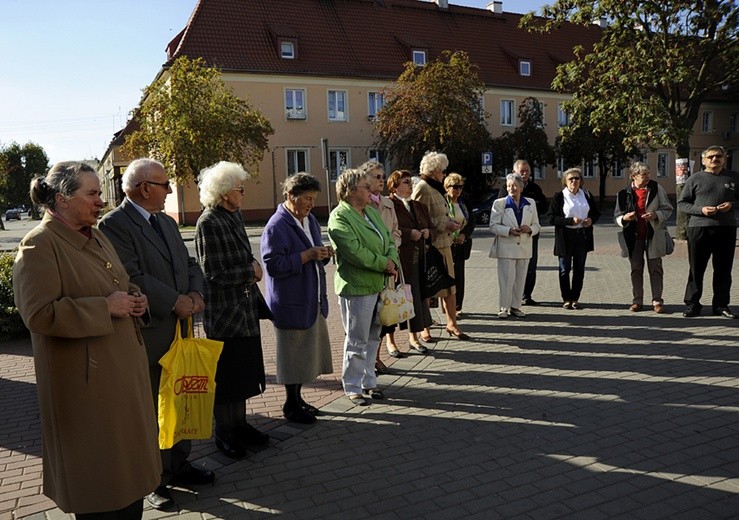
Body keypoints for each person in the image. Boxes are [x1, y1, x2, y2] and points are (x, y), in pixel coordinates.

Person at [14, 162, 161, 519]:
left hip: (121, 378)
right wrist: (104, 308)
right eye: (92, 194)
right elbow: (38, 314)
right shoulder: (38, 246)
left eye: (99, 193)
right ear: (63, 199)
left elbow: (119, 284)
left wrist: (136, 298)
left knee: (129, 483)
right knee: (100, 487)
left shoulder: (95, 235)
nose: (101, 201)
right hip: (87, 391)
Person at [99, 158, 213, 511]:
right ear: (145, 187)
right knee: (152, 406)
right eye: (165, 184)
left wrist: (195, 295)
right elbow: (131, 276)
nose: (170, 190)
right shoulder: (115, 224)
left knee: (180, 399)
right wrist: (174, 301)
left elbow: (189, 263)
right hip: (152, 331)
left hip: (181, 327)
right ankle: (153, 479)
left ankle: (179, 463)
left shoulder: (165, 220)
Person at [194, 161, 269, 457]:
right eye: (240, 188)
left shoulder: (232, 216)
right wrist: (250, 271)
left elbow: (247, 257)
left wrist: (252, 267)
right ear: (224, 193)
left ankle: (240, 425)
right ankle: (224, 433)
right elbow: (212, 272)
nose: (243, 193)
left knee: (243, 374)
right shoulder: (209, 222)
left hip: (245, 310)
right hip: (225, 315)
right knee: (226, 379)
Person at [261, 172, 334, 424]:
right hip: (291, 301)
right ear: (290, 196)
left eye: (313, 198)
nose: (311, 204)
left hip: (311, 297)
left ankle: (298, 399)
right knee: (292, 356)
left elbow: (313, 250)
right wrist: (306, 256)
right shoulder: (276, 225)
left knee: (305, 354)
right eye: (307, 198)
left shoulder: (310, 219)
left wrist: (324, 254)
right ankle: (290, 405)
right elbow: (273, 265)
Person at [328, 168, 400, 406]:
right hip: (357, 287)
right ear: (350, 191)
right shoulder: (339, 216)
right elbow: (355, 253)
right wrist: (384, 263)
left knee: (373, 337)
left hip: (378, 283)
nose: (372, 191)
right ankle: (352, 386)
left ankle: (369, 381)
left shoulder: (370, 211)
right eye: (366, 187)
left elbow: (389, 239)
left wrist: (392, 260)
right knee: (356, 339)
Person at [411, 151, 470, 340]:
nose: (444, 175)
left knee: (450, 287)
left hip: (445, 244)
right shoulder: (422, 187)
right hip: (431, 246)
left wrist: (450, 221)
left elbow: (439, 214)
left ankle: (452, 323)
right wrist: (444, 224)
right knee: (430, 287)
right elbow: (418, 217)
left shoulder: (436, 188)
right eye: (442, 171)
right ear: (434, 170)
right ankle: (425, 327)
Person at [677, 145, 739, 318]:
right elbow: (682, 203)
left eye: (718, 156)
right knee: (697, 268)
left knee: (723, 269)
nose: (715, 159)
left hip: (726, 228)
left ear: (724, 158)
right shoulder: (695, 179)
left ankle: (721, 305)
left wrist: (732, 205)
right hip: (700, 228)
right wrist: (701, 210)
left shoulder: (733, 177)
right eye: (710, 157)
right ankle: (693, 304)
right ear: (703, 160)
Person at [614, 162, 674, 313]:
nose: (648, 177)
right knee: (636, 269)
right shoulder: (623, 193)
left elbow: (668, 208)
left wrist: (656, 215)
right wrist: (625, 218)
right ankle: (637, 300)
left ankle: (657, 300)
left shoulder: (656, 188)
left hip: (654, 235)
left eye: (648, 174)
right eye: (644, 175)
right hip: (633, 238)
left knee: (655, 269)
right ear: (633, 176)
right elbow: (617, 216)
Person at [360, 160, 403, 368]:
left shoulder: (388, 203)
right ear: (365, 179)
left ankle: (376, 358)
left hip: (389, 265)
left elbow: (396, 231)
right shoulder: (361, 205)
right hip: (371, 268)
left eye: (382, 176)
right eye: (377, 176)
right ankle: (367, 363)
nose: (381, 180)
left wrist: (392, 255)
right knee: (368, 318)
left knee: (383, 314)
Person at [388, 169, 435, 353]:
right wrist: (409, 234)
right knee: (394, 300)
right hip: (399, 259)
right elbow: (391, 228)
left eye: (410, 181)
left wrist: (427, 233)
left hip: (418, 260)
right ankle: (390, 342)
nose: (410, 184)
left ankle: (414, 338)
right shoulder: (389, 205)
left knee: (416, 298)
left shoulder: (418, 206)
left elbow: (432, 227)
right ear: (394, 186)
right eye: (405, 182)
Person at [549, 167, 601, 310]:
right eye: (570, 179)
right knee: (564, 269)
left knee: (579, 269)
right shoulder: (559, 196)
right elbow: (551, 218)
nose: (574, 181)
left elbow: (596, 213)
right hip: (565, 236)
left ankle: (575, 298)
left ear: (581, 181)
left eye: (577, 178)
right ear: (565, 181)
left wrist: (591, 220)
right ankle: (566, 298)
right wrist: (570, 221)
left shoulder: (586, 195)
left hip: (582, 236)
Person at [490, 173, 540, 319]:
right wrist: (509, 231)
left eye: (515, 186)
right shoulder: (500, 203)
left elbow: (537, 225)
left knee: (520, 279)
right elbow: (493, 226)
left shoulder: (530, 203)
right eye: (509, 186)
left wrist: (530, 229)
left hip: (524, 247)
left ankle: (516, 307)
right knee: (506, 279)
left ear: (521, 187)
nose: (512, 188)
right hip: (506, 247)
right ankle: (503, 308)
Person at [498, 160, 548, 305]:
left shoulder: (535, 188)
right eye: (522, 171)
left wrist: (531, 214)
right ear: (514, 172)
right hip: (511, 237)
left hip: (529, 235)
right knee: (511, 271)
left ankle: (527, 295)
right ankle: (511, 300)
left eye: (527, 171)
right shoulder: (505, 188)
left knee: (530, 267)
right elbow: (500, 211)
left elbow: (543, 207)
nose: (525, 173)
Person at [444, 172, 475, 318]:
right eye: (455, 187)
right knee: (446, 277)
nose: (458, 190)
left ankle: (457, 307)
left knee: (459, 277)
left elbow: (472, 222)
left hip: (460, 244)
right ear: (447, 186)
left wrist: (463, 234)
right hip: (446, 244)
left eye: (460, 187)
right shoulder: (442, 201)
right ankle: (446, 307)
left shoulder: (464, 202)